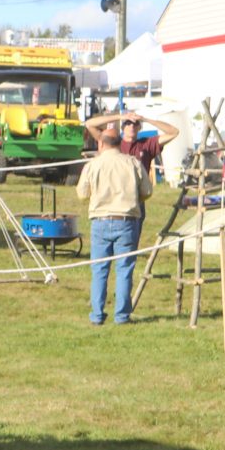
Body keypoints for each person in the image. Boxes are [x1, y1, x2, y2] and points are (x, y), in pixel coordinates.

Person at [77, 121, 153, 325]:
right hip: (127, 221)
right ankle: (121, 316)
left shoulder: (93, 165)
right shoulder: (133, 163)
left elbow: (82, 194)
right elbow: (147, 191)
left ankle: (96, 315)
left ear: (101, 145)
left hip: (100, 221)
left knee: (99, 270)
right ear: (120, 144)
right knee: (124, 269)